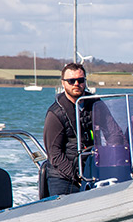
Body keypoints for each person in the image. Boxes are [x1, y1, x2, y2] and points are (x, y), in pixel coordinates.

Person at [43, 63, 122, 196]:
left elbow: (114, 133)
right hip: (64, 177)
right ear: (63, 83)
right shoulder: (55, 113)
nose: (76, 84)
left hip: (93, 170)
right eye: (71, 81)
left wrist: (114, 157)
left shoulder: (96, 104)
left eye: (80, 80)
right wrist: (77, 176)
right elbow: (54, 153)